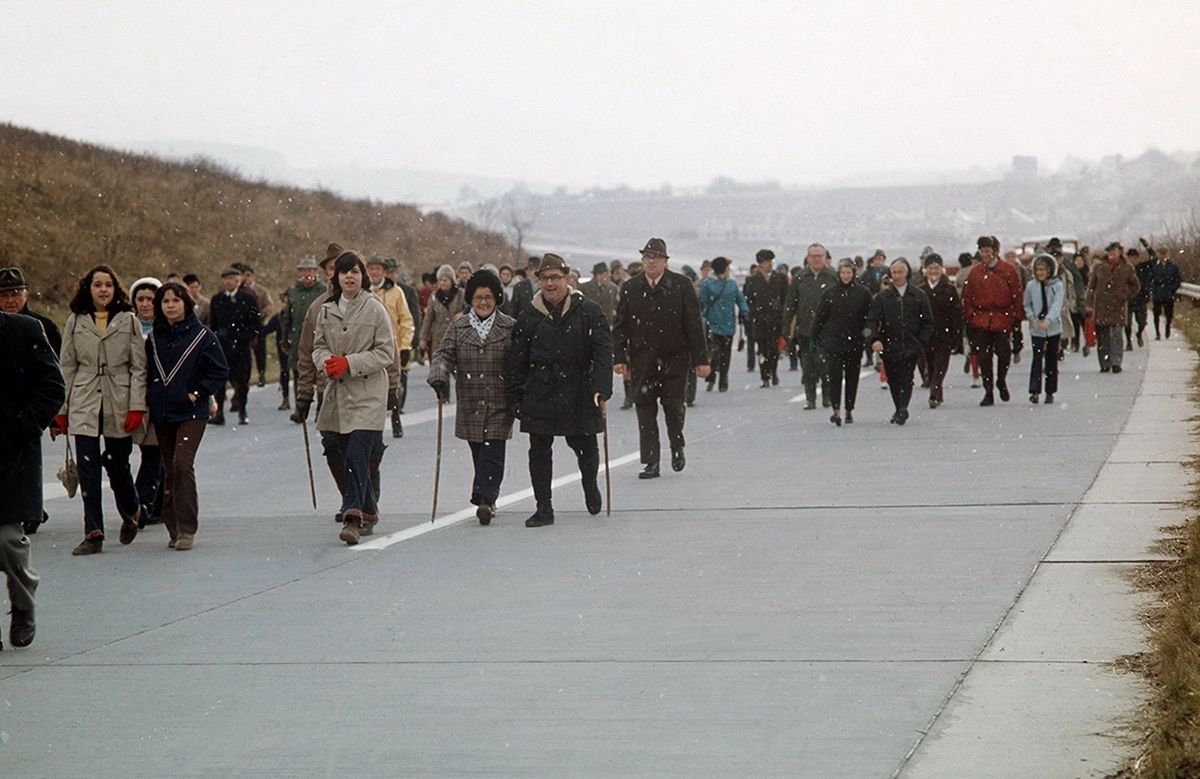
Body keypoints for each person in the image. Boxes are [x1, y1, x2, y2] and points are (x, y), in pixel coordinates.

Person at [506, 254, 612, 527]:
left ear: (568, 279)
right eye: (545, 278)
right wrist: (515, 393)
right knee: (539, 449)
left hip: (579, 387)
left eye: (555, 278)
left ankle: (590, 485)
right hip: (540, 388)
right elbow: (517, 358)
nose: (550, 283)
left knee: (585, 444)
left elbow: (603, 351)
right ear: (537, 280)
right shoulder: (528, 316)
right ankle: (544, 508)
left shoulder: (589, 311)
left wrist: (602, 386)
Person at [54, 265, 148, 555]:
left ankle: (132, 511)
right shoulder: (75, 321)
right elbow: (67, 366)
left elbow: (138, 367)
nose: (103, 290)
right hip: (84, 399)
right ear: (88, 289)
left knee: (118, 465)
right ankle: (93, 531)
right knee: (88, 469)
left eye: (108, 284)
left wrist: (137, 406)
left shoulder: (128, 321)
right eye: (97, 285)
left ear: (115, 289)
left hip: (119, 399)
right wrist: (62, 409)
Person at [313, 251, 396, 545]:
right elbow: (317, 346)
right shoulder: (327, 309)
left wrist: (350, 362)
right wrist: (326, 362)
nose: (349, 277)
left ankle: (353, 515)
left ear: (363, 277)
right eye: (344, 272)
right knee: (344, 449)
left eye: (355, 272)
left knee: (356, 453)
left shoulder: (375, 309)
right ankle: (371, 509)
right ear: (336, 278)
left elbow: (386, 353)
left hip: (368, 393)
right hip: (339, 393)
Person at [612, 238, 709, 479]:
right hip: (642, 359)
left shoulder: (682, 285)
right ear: (642, 261)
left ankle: (677, 445)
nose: (651, 262)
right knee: (644, 409)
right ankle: (651, 461)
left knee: (673, 406)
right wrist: (619, 357)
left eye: (656, 257)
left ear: (665, 261)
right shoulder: (631, 288)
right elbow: (621, 326)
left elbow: (694, 325)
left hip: (675, 359)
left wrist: (701, 360)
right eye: (647, 257)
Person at [145, 282, 229, 550]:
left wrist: (197, 392)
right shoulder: (154, 339)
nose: (170, 305)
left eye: (176, 301)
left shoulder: (203, 336)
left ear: (186, 304)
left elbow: (219, 370)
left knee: (182, 463)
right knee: (169, 469)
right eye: (165, 301)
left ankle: (187, 528)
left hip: (192, 411)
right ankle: (174, 527)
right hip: (162, 412)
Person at [0, 301, 64, 648]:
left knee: (7, 540)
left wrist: (22, 425)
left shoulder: (24, 331)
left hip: (11, 450)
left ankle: (23, 606)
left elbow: (53, 387)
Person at [428, 271, 516, 525]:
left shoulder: (509, 327)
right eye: (478, 297)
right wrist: (439, 377)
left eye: (488, 297)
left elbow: (521, 362)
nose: (483, 302)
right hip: (470, 401)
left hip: (500, 401)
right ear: (471, 299)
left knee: (493, 449)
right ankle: (486, 492)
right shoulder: (458, 327)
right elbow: (443, 356)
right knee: (479, 450)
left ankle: (485, 498)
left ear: (497, 298)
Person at [866, 258, 933, 425]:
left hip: (911, 344)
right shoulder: (883, 297)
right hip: (889, 344)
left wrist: (921, 342)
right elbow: (872, 320)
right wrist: (874, 338)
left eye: (900, 272)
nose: (896, 276)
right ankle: (898, 408)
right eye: (893, 272)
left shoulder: (918, 295)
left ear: (907, 273)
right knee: (893, 378)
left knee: (906, 377)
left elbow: (928, 322)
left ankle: (903, 408)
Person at [961, 235, 1022, 406]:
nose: (984, 254)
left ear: (995, 251)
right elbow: (967, 297)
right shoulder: (975, 272)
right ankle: (988, 390)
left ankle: (1001, 380)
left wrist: (1017, 316)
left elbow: (1017, 294)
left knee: (1004, 353)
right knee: (984, 357)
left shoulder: (1008, 270)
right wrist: (970, 316)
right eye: (982, 251)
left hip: (1002, 318)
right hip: (981, 320)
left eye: (987, 251)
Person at [812, 258, 872, 425]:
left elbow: (869, 317)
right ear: (839, 274)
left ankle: (849, 409)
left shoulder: (863, 293)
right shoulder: (830, 293)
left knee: (852, 377)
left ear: (853, 274)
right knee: (835, 376)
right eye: (843, 273)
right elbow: (820, 317)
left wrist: (868, 334)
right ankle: (836, 409)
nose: (846, 276)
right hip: (834, 342)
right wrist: (814, 337)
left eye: (849, 273)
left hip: (855, 342)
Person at [784, 243, 839, 409]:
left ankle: (827, 396)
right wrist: (786, 329)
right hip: (805, 329)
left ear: (824, 257)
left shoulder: (832, 276)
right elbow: (791, 303)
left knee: (825, 365)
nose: (816, 259)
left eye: (820, 256)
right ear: (808, 258)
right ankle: (810, 398)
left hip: (827, 331)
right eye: (813, 256)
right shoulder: (800, 277)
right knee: (807, 367)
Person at [367, 255, 415, 438]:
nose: (374, 272)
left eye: (378, 269)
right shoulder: (363, 292)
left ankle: (396, 418)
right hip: (371, 349)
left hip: (392, 346)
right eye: (371, 269)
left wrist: (404, 346)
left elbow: (406, 320)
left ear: (384, 272)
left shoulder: (396, 292)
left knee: (394, 387)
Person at [130, 277, 165, 526]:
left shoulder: (167, 328)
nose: (145, 304)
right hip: (134, 397)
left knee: (154, 451)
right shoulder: (127, 327)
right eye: (140, 299)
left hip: (160, 398)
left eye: (150, 299)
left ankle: (143, 502)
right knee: (149, 451)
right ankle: (154, 503)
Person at [208, 266, 259, 425]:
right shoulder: (217, 300)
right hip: (222, 348)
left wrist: (242, 337)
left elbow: (255, 325)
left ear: (238, 281)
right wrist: (216, 337)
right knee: (220, 382)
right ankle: (219, 413)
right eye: (226, 279)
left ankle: (242, 410)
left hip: (241, 348)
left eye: (231, 278)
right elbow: (213, 323)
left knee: (242, 382)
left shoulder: (247, 299)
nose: (228, 282)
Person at [280, 255, 327, 413]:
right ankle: (300, 409)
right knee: (299, 373)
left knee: (321, 374)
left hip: (319, 338)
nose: (307, 274)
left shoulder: (323, 291)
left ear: (315, 272)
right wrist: (284, 339)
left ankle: (321, 408)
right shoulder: (293, 292)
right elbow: (287, 318)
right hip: (297, 338)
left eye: (310, 270)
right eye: (304, 270)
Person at [1085, 241, 1141, 374]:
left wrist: (1125, 295)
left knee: (1117, 335)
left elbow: (1136, 286)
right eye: (1109, 251)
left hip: (1118, 306)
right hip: (1102, 306)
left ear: (1120, 252)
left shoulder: (1127, 268)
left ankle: (1116, 362)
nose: (1111, 254)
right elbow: (1091, 287)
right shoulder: (1099, 268)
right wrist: (1089, 304)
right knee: (1103, 336)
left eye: (1114, 251)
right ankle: (1105, 363)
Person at [916, 254, 962, 409]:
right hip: (926, 336)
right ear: (925, 271)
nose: (933, 271)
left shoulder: (949, 290)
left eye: (936, 268)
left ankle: (934, 394)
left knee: (941, 366)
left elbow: (956, 315)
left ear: (942, 270)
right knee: (931, 366)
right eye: (930, 268)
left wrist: (957, 336)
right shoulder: (920, 291)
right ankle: (937, 391)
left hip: (944, 335)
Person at [698, 256, 749, 393]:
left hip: (727, 324)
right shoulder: (709, 284)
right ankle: (713, 376)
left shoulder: (729, 284)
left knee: (725, 354)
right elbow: (702, 302)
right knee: (716, 354)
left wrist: (745, 311)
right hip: (715, 323)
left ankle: (722, 379)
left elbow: (740, 299)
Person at [743, 249, 788, 388]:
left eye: (771, 261)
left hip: (775, 319)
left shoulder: (780, 278)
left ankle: (773, 372)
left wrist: (781, 312)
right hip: (760, 320)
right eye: (767, 261)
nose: (770, 264)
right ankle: (765, 377)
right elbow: (749, 299)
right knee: (762, 349)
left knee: (774, 349)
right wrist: (754, 313)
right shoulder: (752, 280)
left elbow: (786, 298)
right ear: (760, 263)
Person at [1024, 255, 1064, 404]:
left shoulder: (1057, 285)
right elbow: (1027, 304)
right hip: (1037, 328)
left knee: (1051, 359)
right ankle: (1034, 390)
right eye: (1037, 269)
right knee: (1037, 358)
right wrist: (1032, 318)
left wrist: (1048, 320)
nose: (1040, 272)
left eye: (1043, 269)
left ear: (1050, 270)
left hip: (1053, 328)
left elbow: (1057, 305)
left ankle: (1050, 391)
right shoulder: (1031, 286)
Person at [418, 264, 465, 383]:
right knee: (440, 373)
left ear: (451, 280)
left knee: (460, 372)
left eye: (445, 280)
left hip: (458, 337)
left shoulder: (461, 294)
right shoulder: (434, 297)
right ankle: (443, 397)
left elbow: (471, 310)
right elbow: (428, 319)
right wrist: (423, 338)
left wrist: (463, 314)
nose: (442, 283)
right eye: (440, 280)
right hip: (439, 338)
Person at [0, 267, 62, 356]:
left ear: (25, 295)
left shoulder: (45, 326)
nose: (10, 300)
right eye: (4, 296)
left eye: (15, 295)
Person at [1149, 243, 1181, 339]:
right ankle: (1157, 332)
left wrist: (1172, 289)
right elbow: (1150, 279)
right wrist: (1153, 289)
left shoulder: (1173, 266)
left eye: (1164, 254)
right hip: (1158, 294)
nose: (1162, 256)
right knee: (1156, 314)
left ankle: (1167, 329)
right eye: (1161, 254)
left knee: (1169, 314)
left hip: (1168, 293)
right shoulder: (1154, 266)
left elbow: (1177, 279)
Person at [1125, 247, 1154, 348]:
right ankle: (1128, 341)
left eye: (1134, 258)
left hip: (1141, 299)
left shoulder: (1144, 267)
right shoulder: (1124, 269)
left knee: (1142, 322)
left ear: (1138, 258)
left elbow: (1154, 259)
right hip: (1128, 299)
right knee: (1127, 323)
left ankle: (1139, 334)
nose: (1132, 260)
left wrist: (1148, 248)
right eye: (1130, 258)